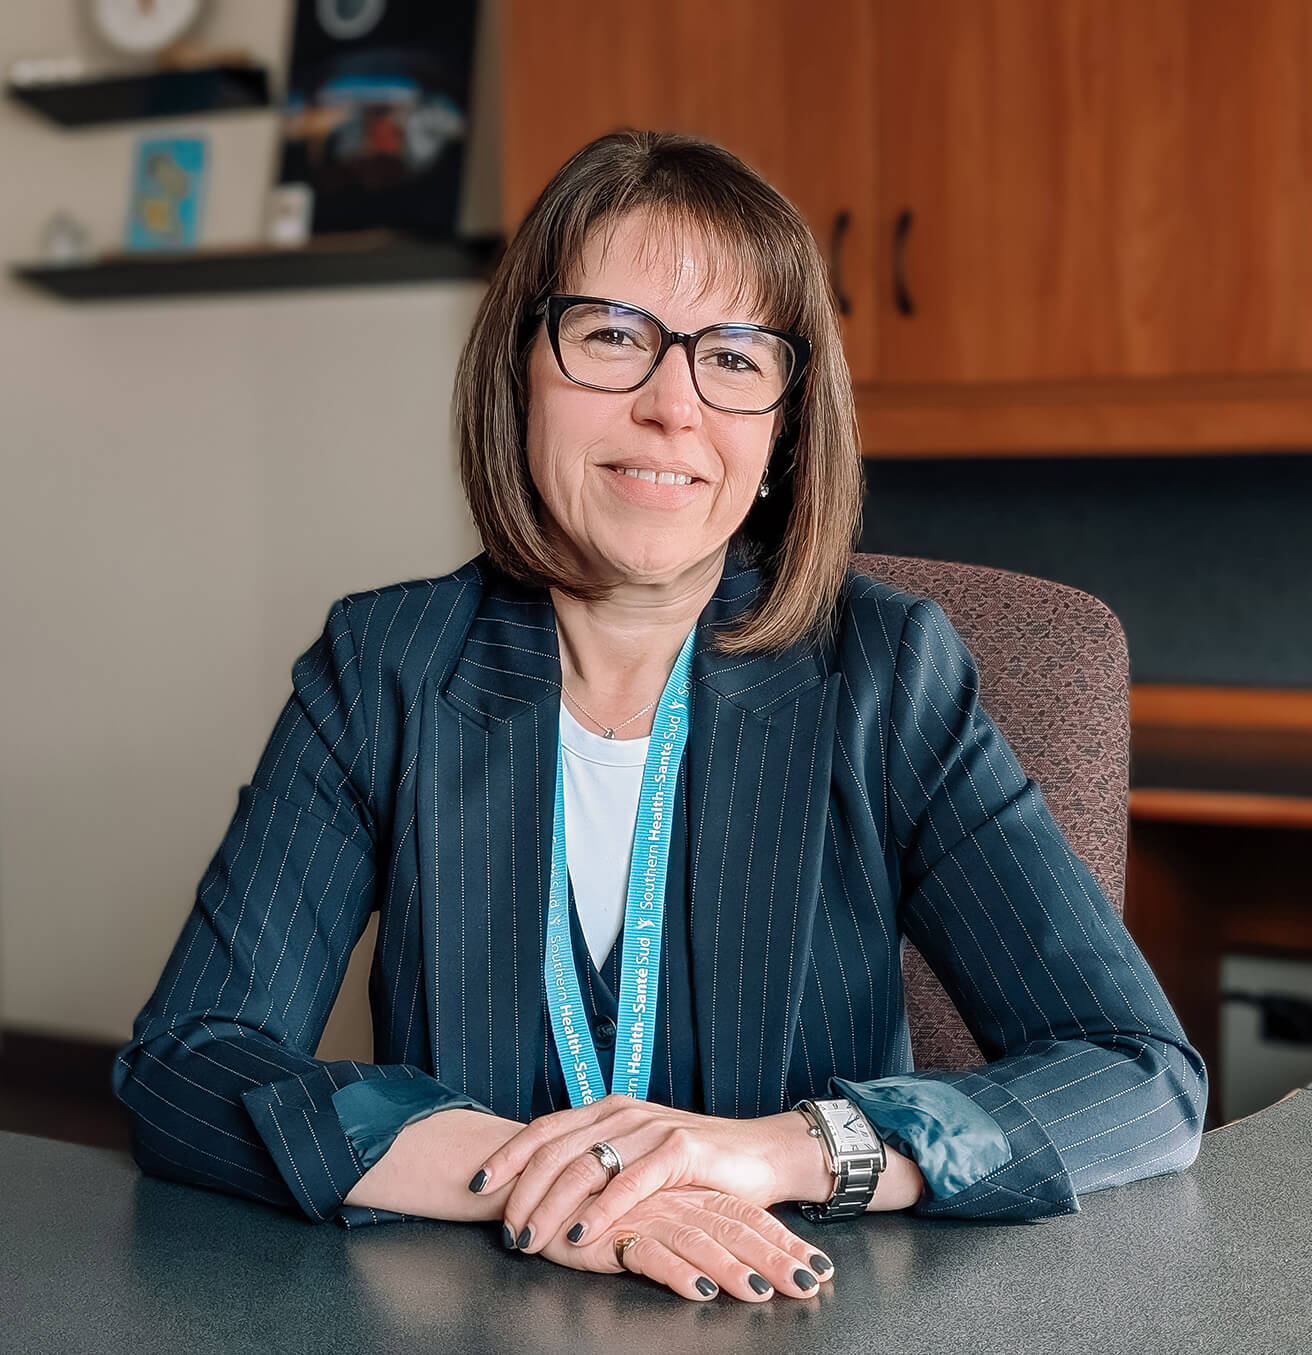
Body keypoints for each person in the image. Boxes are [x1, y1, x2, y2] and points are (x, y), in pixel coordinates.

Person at [112, 129, 1207, 1305]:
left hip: (808, 1310)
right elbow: (185, 1062)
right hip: (482, 1311)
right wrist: (556, 1177)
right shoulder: (383, 667)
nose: (670, 407)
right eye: (613, 337)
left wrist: (770, 1149)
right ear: (520, 368)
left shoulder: (887, 674)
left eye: (733, 357)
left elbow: (1136, 1076)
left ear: (782, 429)